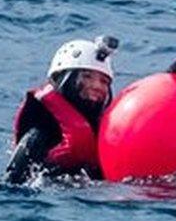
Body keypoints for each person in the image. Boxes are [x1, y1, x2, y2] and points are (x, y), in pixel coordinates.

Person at [6, 35, 118, 184]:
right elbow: (12, 187)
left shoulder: (104, 132)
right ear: (63, 78)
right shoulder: (39, 135)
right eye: (87, 76)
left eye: (104, 81)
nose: (97, 86)